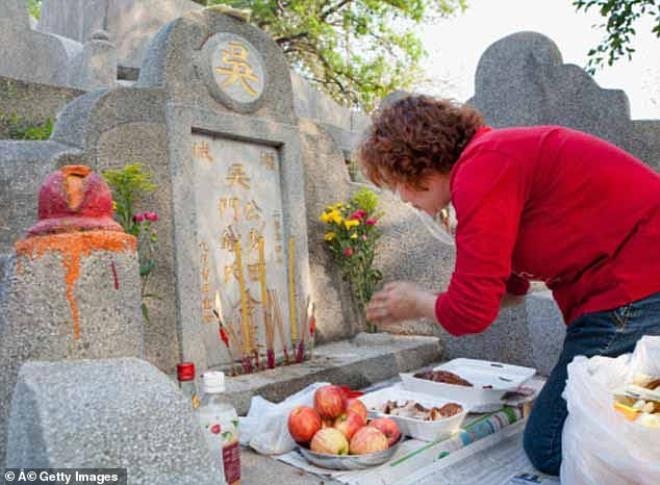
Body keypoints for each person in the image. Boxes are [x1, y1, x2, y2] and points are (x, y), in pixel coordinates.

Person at [359, 95, 660, 475]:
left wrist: (418, 303)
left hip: (632, 289)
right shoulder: (493, 161)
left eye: (400, 181)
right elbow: (507, 292)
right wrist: (447, 298)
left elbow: (471, 313)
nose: (402, 197)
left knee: (550, 444)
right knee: (607, 410)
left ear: (420, 159)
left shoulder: (483, 166)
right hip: (628, 289)